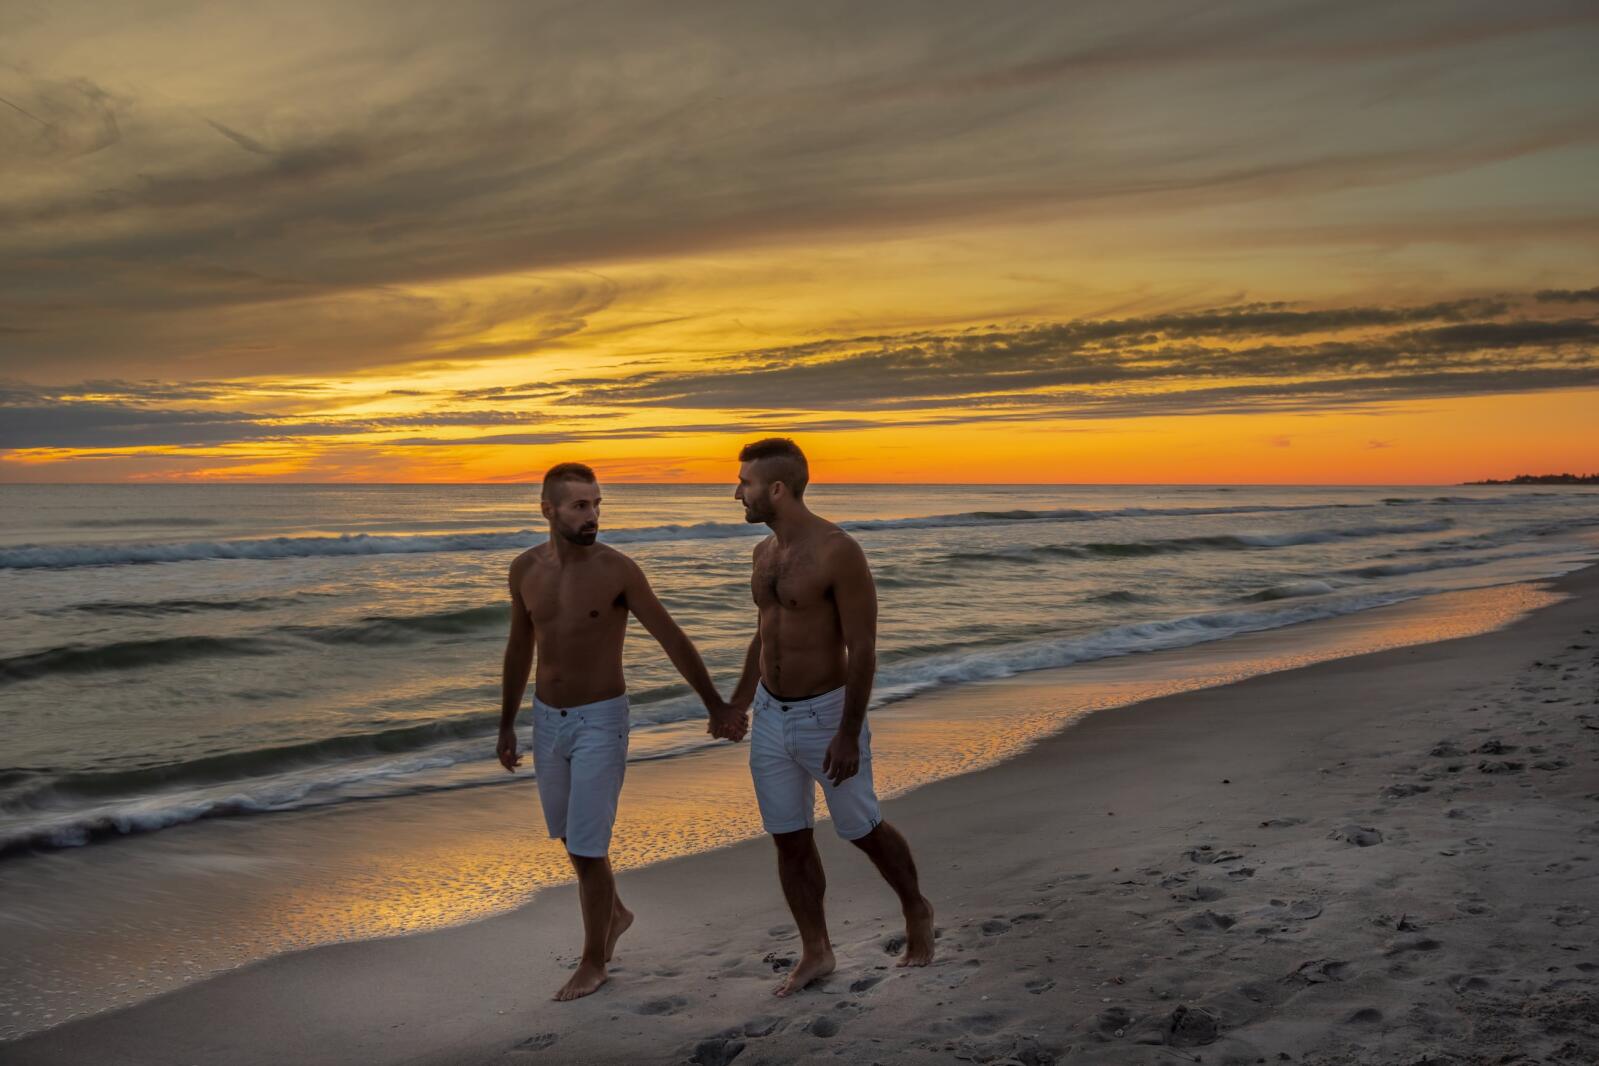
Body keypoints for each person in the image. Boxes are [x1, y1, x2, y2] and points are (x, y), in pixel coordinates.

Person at [497, 462, 747, 1001]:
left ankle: (594, 961)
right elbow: (520, 649)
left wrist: (716, 705)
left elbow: (671, 638)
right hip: (546, 719)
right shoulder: (524, 570)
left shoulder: (618, 570)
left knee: (588, 846)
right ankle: (615, 914)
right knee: (569, 834)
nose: (593, 516)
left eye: (597, 504)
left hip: (600, 720)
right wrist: (507, 725)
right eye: (580, 505)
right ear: (548, 509)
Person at [728, 438, 935, 996]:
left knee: (861, 828)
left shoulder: (838, 550)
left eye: (744, 482)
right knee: (788, 838)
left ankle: (916, 909)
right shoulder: (763, 553)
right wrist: (740, 701)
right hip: (772, 714)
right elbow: (765, 632)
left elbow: (862, 649)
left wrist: (847, 732)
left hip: (827, 715)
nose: (736, 491)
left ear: (776, 488)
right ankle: (817, 951)